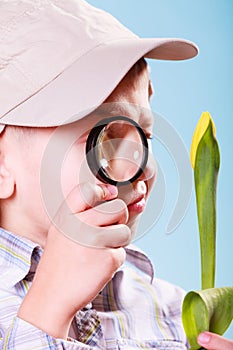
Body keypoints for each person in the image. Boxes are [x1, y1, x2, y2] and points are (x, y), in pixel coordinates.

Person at [0, 0, 232, 349]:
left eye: (146, 137)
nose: (147, 167)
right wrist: (46, 313)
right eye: (105, 138)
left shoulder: (171, 311)